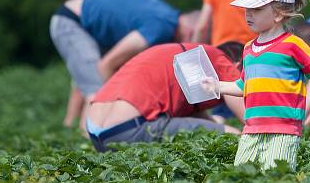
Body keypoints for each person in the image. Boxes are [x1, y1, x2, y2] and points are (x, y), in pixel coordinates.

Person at [204, 0, 310, 171]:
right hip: (251, 128)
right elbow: (243, 86)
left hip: (284, 129)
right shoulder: (248, 49)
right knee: (241, 175)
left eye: (256, 9)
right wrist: (217, 86)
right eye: (247, 8)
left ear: (279, 14)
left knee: (276, 176)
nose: (248, 14)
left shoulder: (293, 45)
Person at [50, 0, 197, 128]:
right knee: (95, 91)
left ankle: (69, 129)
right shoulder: (162, 26)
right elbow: (107, 64)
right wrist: (117, 107)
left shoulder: (166, 17)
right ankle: (85, 144)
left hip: (78, 20)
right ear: (190, 32)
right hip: (72, 21)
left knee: (86, 79)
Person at [85, 43, 245, 152]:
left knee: (216, 126)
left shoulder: (189, 55)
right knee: (233, 135)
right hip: (130, 128)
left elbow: (192, 117)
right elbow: (250, 119)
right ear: (237, 66)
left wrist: (215, 123)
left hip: (95, 132)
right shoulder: (221, 60)